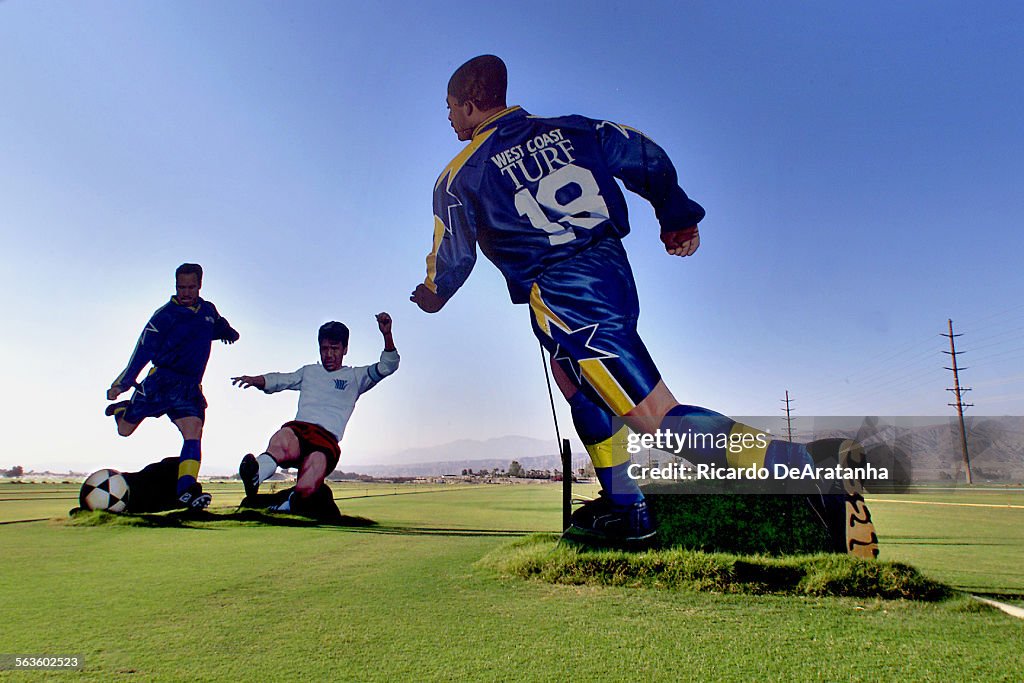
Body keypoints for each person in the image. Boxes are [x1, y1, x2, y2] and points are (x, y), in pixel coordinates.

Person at [411, 55, 877, 556]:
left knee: (656, 416)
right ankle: (627, 508)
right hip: (610, 267)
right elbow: (644, 152)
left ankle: (807, 467)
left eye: (451, 108)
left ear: (472, 103)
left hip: (563, 288)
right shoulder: (575, 127)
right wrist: (673, 213)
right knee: (573, 378)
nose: (450, 119)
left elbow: (452, 255)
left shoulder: (457, 176)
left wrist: (431, 294)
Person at [231, 313, 399, 516]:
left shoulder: (356, 377)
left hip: (325, 442)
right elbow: (282, 379)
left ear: (345, 349)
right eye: (324, 348)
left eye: (334, 349)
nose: (328, 354)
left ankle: (288, 504)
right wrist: (256, 380)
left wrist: (387, 334)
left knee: (308, 485)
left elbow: (388, 366)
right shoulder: (309, 371)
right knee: (282, 438)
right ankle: (255, 474)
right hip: (299, 432)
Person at [105, 263, 239, 510]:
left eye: (191, 287)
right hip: (160, 383)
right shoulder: (164, 316)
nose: (186, 292)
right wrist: (121, 384)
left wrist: (228, 332)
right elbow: (142, 351)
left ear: (200, 285)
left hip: (188, 387)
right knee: (124, 431)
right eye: (181, 287)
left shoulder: (207, 310)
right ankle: (122, 412)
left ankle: (185, 490)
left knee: (193, 431)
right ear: (175, 286)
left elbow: (217, 325)